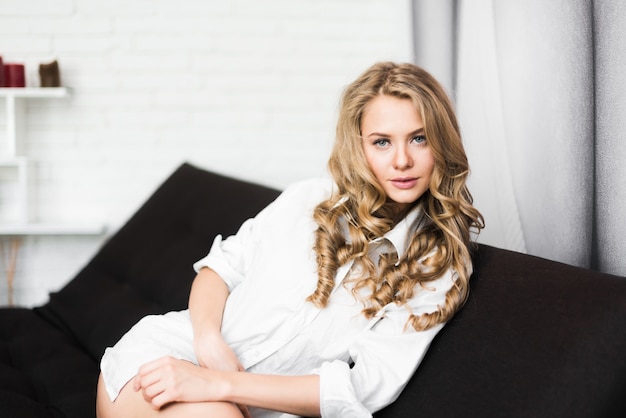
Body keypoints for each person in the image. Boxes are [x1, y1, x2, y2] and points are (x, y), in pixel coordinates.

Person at [96, 61, 484, 418]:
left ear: (441, 142)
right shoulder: (309, 200)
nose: (401, 161)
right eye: (382, 141)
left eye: (419, 139)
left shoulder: (437, 265)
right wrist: (209, 343)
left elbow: (364, 387)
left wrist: (221, 384)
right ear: (360, 146)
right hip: (171, 355)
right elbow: (218, 270)